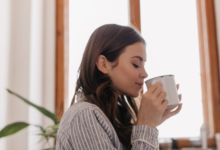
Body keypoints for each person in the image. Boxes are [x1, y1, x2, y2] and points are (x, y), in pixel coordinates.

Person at [56, 24, 182, 150]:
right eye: (136, 64)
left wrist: (152, 123)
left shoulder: (114, 117)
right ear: (103, 64)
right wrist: (146, 126)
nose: (145, 74)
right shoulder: (84, 115)